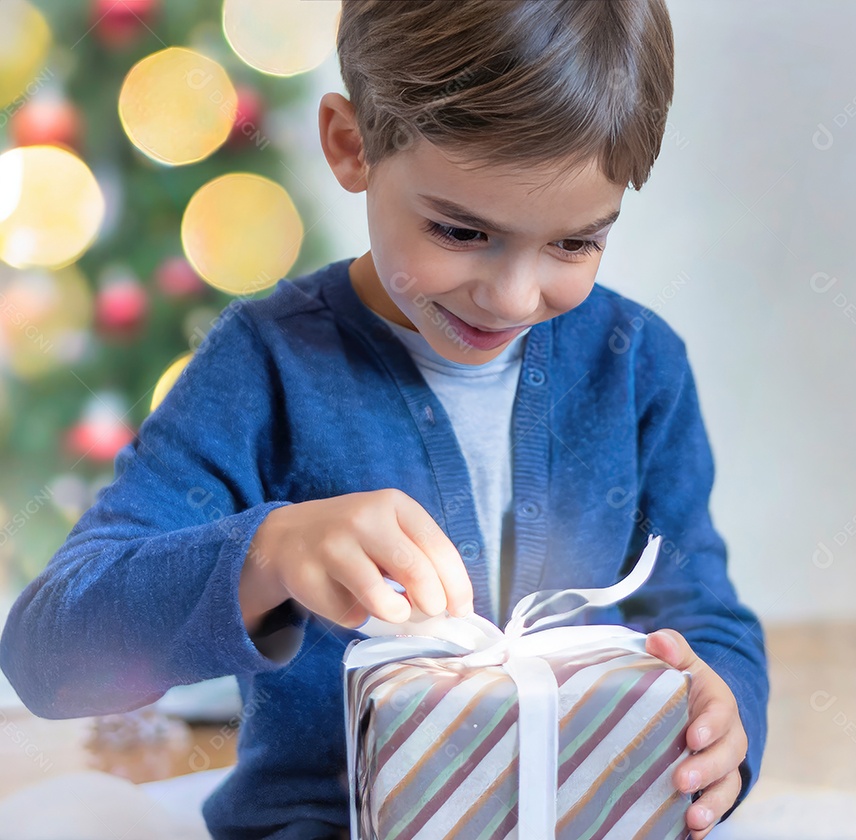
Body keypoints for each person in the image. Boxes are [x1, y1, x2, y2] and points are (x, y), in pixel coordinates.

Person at [0, 1, 769, 838]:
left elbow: (702, 610)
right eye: (461, 230)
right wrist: (271, 555)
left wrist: (723, 709)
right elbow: (50, 656)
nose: (513, 296)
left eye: (575, 245)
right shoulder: (261, 371)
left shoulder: (637, 363)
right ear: (351, 143)